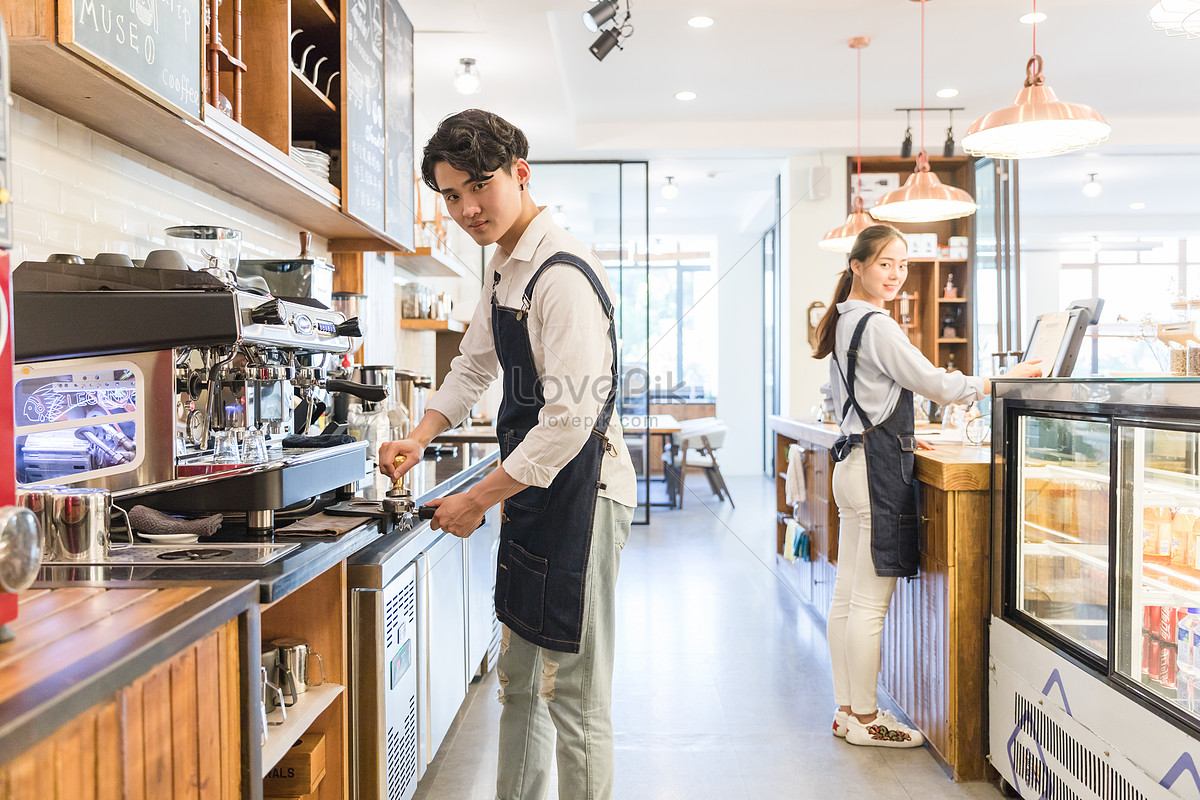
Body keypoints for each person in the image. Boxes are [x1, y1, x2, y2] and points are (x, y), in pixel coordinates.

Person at [379, 109, 637, 800]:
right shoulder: (505, 269)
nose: (465, 208)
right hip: (537, 493)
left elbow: (570, 422)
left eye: (478, 188)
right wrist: (421, 433)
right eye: (450, 195)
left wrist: (475, 498)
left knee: (573, 692)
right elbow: (472, 365)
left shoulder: (562, 275)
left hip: (585, 496)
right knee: (521, 682)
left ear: (521, 174)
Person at [812, 224, 1041, 748]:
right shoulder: (877, 325)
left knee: (847, 598)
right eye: (885, 264)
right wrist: (1001, 380)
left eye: (902, 264)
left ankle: (848, 710)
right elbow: (936, 384)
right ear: (858, 267)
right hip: (874, 473)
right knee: (867, 604)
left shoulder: (846, 322)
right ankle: (868, 719)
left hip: (851, 468)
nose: (895, 274)